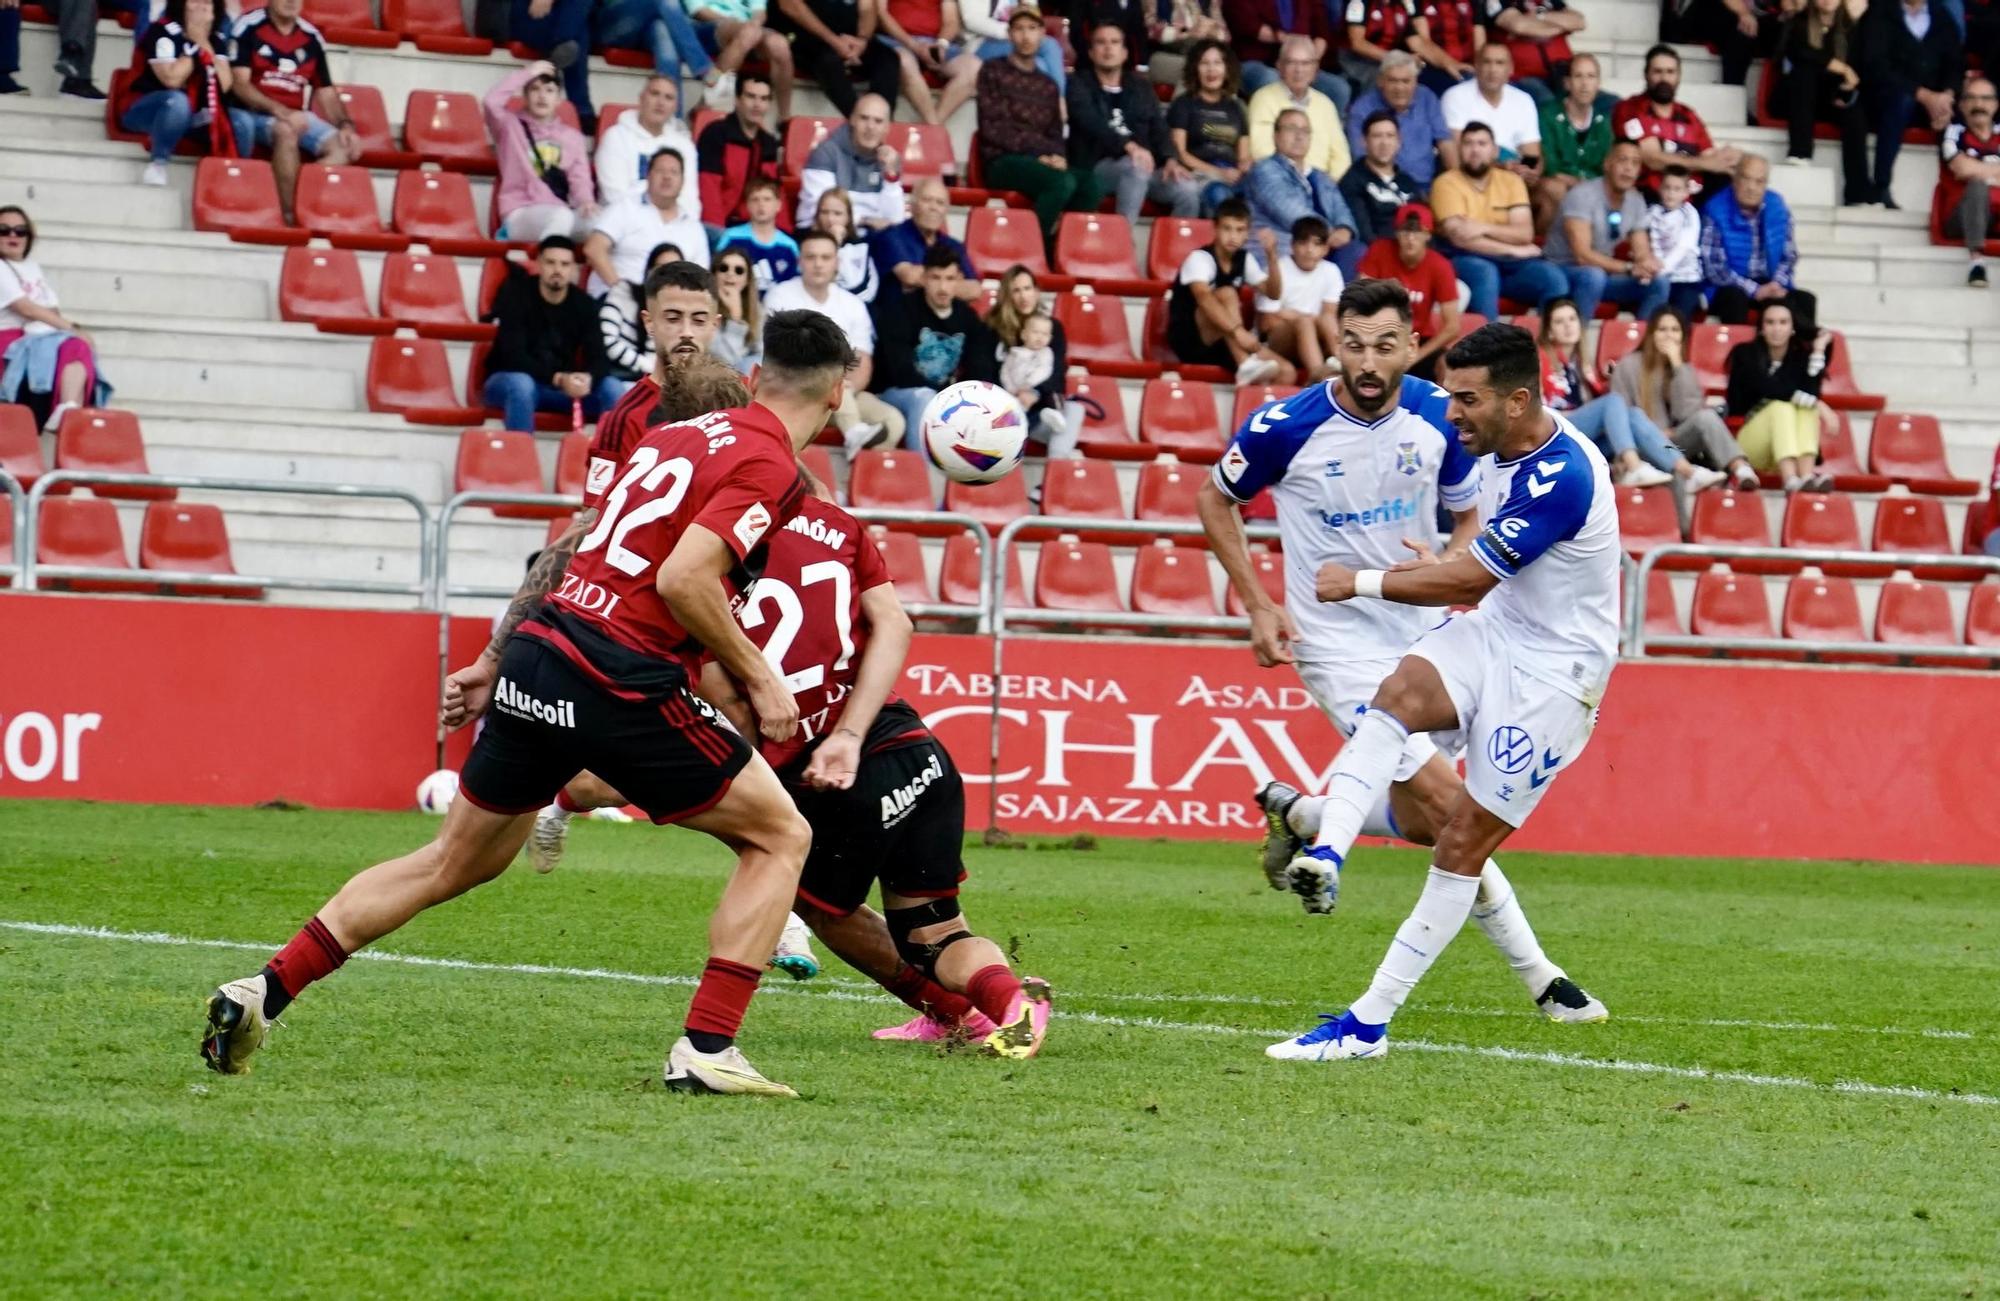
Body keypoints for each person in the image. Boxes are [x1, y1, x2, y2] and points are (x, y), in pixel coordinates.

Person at [198, 321, 862, 1098]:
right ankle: (707, 1046)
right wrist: (764, 679)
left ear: (755, 377)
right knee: (782, 834)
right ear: (840, 390)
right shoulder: (771, 463)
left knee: (455, 859)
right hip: (619, 672)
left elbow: (575, 547)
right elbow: (686, 580)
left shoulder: (678, 437)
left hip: (546, 648)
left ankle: (262, 991)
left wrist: (494, 657)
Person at [1196, 287, 1607, 1044]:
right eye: (1353, 343)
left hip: (1478, 638)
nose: (1368, 361)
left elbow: (1471, 539)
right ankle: (1530, 973)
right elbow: (1214, 497)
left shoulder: (1451, 416)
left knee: (1435, 820)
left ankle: (1310, 815)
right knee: (1451, 810)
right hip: (1338, 645)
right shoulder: (1285, 427)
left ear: (1410, 342)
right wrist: (1257, 601)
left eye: (1385, 345)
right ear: (1335, 345)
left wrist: (1440, 563)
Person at [1537, 299, 1724, 491]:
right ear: (1549, 331)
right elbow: (1535, 410)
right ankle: (1634, 466)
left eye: (1572, 319)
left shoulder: (1583, 365)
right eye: (1559, 322)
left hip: (1584, 441)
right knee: (1614, 401)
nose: (1568, 325)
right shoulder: (1539, 360)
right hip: (1554, 434)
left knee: (1633, 415)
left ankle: (1688, 472)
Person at [765, 227, 905, 452]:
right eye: (811, 257)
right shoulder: (780, 297)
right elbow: (778, 358)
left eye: (825, 257)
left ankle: (857, 472)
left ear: (837, 263)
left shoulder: (853, 304)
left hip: (845, 395)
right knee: (831, 380)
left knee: (893, 421)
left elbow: (862, 360)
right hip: (799, 396)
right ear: (799, 261)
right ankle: (853, 432)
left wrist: (845, 388)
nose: (818, 264)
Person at [975, 8, 1105, 242]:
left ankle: (1064, 249)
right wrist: (1038, 155)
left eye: (1032, 29)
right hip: (1002, 161)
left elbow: (1055, 134)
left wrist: (1056, 156)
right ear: (1010, 33)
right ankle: (1033, 247)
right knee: (1061, 182)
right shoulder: (993, 71)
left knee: (1090, 184)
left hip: (1038, 162)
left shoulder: (1048, 85)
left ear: (1042, 34)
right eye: (1019, 29)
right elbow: (993, 129)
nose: (1026, 36)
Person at [226, 0, 358, 224]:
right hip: (253, 113)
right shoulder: (248, 26)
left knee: (348, 146)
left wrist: (345, 125)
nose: (291, 2)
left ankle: (300, 197)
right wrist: (280, 111)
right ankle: (290, 216)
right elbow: (239, 85)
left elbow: (325, 91)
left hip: (296, 114)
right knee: (286, 132)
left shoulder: (312, 36)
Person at [1609, 304, 1760, 490]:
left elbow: (1688, 413)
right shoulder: (1629, 365)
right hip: (1643, 446)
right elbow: (1619, 417)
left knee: (1707, 417)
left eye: (1675, 330)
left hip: (1675, 446)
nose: (1669, 336)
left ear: (1682, 336)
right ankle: (1690, 478)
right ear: (1651, 334)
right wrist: (1655, 432)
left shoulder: (1684, 369)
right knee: (1676, 476)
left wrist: (1678, 366)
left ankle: (1741, 470)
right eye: (1662, 329)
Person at [1430, 120, 1568, 319]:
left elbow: (1524, 233)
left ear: (1494, 151)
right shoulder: (1445, 183)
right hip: (1465, 258)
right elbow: (1460, 238)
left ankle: (1545, 348)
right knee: (1485, 272)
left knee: (1553, 278)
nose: (1475, 150)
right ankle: (1489, 347)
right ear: (1460, 150)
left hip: (1510, 264)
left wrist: (1480, 227)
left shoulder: (1511, 181)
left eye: (1482, 144)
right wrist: (1512, 249)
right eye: (1468, 144)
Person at [1070, 21, 1202, 222]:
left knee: (1188, 189)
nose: (1108, 48)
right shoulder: (1078, 84)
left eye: (1114, 42)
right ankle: (1123, 245)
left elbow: (1159, 127)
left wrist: (1170, 159)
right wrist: (1129, 146)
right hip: (1098, 165)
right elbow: (1091, 123)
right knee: (1135, 168)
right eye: (1101, 42)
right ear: (1091, 52)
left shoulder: (1140, 86)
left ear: (1124, 53)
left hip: (1145, 167)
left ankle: (1174, 252)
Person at [481, 236, 614, 433]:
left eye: (564, 264)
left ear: (573, 269)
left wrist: (587, 379)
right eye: (551, 262)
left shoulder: (584, 304)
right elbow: (513, 357)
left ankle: (612, 460)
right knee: (521, 385)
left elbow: (599, 357)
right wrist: (558, 378)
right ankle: (521, 460)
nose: (557, 270)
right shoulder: (516, 296)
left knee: (612, 387)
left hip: (560, 389)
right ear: (539, 264)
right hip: (509, 383)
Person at [873, 245, 993, 444]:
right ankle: (925, 473)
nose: (943, 287)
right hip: (894, 393)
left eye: (950, 279)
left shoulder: (968, 318)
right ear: (924, 278)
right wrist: (946, 398)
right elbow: (900, 371)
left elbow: (980, 368)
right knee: (924, 398)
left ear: (960, 280)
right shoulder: (900, 311)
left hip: (943, 397)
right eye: (936, 278)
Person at [1168, 197, 1295, 383]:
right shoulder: (1199, 258)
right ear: (1216, 228)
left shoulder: (1245, 259)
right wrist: (1239, 333)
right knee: (1226, 293)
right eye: (1227, 229)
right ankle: (1244, 362)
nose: (1233, 236)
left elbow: (1273, 293)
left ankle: (1256, 409)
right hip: (1191, 339)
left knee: (1286, 371)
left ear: (1247, 233)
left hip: (1226, 341)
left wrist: (1271, 257)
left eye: (1239, 230)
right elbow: (1203, 298)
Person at [1543, 139, 1669, 323]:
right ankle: (1578, 345)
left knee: (1659, 283)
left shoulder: (1636, 200)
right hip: (1563, 269)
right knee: (1593, 275)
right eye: (1623, 160)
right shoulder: (1582, 195)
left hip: (1602, 275)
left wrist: (1647, 264)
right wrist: (1629, 267)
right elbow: (1582, 256)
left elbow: (1641, 249)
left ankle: (1643, 346)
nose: (1628, 168)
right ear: (1607, 164)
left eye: (1635, 163)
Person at [0, 207, 102, 432]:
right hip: (9, 343)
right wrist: (72, 329)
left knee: (77, 346)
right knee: (75, 342)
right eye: (4, 231)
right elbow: (26, 308)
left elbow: (51, 310)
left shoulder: (32, 267)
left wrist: (69, 332)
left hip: (36, 338)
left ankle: (68, 408)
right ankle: (65, 411)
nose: (13, 236)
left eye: (20, 231)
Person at [119, 0, 237, 188]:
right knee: (177, 102)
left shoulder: (216, 40)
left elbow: (224, 85)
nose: (202, 7)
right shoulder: (161, 31)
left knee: (242, 123)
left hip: (191, 112)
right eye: (194, 1)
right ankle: (158, 164)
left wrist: (202, 42)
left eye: (208, 2)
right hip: (147, 108)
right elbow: (171, 80)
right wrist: (194, 45)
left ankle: (230, 179)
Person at [1856, 0, 1962, 209]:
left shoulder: (1941, 15)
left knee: (1969, 107)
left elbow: (1955, 63)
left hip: (1934, 100)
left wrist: (1947, 96)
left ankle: (1958, 195)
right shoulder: (1880, 13)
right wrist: (1923, 95)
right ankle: (1881, 185)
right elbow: (1875, 66)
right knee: (1900, 102)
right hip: (1884, 98)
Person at [1725, 296, 1833, 491]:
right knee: (1781, 407)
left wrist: (1818, 350)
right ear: (1761, 328)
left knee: (1806, 409)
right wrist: (1818, 404)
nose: (1776, 328)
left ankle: (1806, 476)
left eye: (1783, 322)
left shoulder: (1799, 358)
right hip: (1750, 447)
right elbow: (1770, 388)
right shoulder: (1744, 354)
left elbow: (1811, 392)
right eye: (1770, 322)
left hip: (1787, 448)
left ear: (1793, 327)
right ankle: (1790, 479)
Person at [485, 61, 596, 244]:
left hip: (559, 209)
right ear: (525, 95)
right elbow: (491, 102)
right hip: (519, 211)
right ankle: (544, 270)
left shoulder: (572, 137)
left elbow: (580, 178)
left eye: (549, 90)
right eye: (535, 89)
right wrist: (527, 73)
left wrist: (586, 201)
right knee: (561, 218)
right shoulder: (510, 126)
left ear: (559, 98)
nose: (542, 96)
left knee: (600, 226)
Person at [1613, 45, 1739, 199]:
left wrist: (1730, 158)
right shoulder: (1630, 108)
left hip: (1690, 197)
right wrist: (1703, 163)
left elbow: (1710, 156)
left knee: (1732, 175)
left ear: (1678, 76)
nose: (1664, 79)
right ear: (1646, 75)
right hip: (1650, 197)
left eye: (1670, 72)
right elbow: (1653, 158)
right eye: (1657, 72)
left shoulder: (1688, 115)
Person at [1700, 154, 1809, 326]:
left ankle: (1806, 350)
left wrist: (1776, 285)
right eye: (1746, 179)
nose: (1752, 187)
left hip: (1769, 280)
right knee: (1734, 298)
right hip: (1730, 285)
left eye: (1759, 182)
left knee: (1804, 300)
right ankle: (1739, 352)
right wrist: (1755, 290)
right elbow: (1714, 268)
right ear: (1735, 179)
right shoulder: (1715, 208)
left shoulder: (1777, 206)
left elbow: (1789, 256)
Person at [1246, 108, 1361, 269]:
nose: (1299, 136)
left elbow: (1341, 209)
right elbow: (1290, 212)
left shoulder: (1320, 176)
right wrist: (1328, 234)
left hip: (1322, 247)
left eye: (1305, 131)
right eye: (1291, 129)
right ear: (1275, 136)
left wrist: (1345, 229)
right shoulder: (1265, 169)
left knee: (1356, 251)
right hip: (1282, 251)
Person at [584, 149, 710, 294]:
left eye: (674, 172)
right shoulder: (625, 208)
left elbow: (701, 280)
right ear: (648, 176)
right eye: (660, 170)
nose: (667, 177)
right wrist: (622, 291)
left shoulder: (694, 228)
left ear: (683, 182)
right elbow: (593, 249)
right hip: (616, 298)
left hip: (669, 309)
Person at [1357, 202, 1460, 376]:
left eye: (1418, 231)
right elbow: (1361, 298)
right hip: (1378, 333)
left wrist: (1416, 356)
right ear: (1397, 233)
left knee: (1447, 364)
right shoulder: (1379, 250)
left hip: (1418, 339)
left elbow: (1452, 326)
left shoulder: (1440, 265)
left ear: (1428, 235)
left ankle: (1446, 403)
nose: (1411, 238)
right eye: (1405, 231)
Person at [1776, 0, 1865, 195]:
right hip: (1797, 98)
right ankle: (1800, 153)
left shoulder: (1850, 26)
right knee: (1805, 73)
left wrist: (1845, 90)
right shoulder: (1799, 22)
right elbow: (1800, 52)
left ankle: (1858, 191)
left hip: (1832, 98)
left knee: (1855, 114)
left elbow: (1858, 68)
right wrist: (1842, 67)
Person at [984, 265, 1074, 454]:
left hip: (1040, 406)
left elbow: (1057, 374)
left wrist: (1035, 393)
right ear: (1006, 296)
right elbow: (983, 374)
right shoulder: (990, 328)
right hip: (1005, 405)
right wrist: (1011, 396)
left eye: (1027, 289)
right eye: (1016, 290)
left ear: (1036, 291)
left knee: (1075, 411)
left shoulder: (1052, 328)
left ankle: (1052, 481)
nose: (1024, 297)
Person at [591, 0, 730, 114]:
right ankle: (705, 71)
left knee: (662, 30)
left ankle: (673, 122)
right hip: (611, 22)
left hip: (650, 23)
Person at [1247, 35, 1353, 182]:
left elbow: (1341, 156)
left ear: (1315, 69)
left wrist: (1329, 184)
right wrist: (1298, 179)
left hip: (1323, 184)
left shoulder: (1325, 104)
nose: (1299, 70)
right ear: (1279, 66)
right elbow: (1261, 151)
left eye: (1305, 63)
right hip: (1281, 182)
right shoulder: (1263, 99)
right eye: (1291, 63)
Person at [1167, 37, 1254, 215]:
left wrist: (1245, 165)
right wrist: (1218, 173)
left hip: (1231, 173)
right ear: (1195, 69)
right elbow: (1180, 153)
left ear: (1227, 69)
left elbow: (1243, 156)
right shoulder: (1183, 104)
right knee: (1221, 196)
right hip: (1199, 173)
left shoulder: (1235, 108)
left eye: (1217, 63)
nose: (1211, 69)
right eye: (1204, 63)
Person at [796, 93, 907, 233]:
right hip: (822, 234)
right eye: (864, 118)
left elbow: (895, 219)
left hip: (868, 236)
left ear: (887, 127)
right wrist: (866, 221)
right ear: (852, 120)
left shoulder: (888, 159)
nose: (870, 127)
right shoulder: (826, 152)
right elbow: (823, 212)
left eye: (878, 121)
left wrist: (892, 177)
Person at [594, 75, 701, 218]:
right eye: (655, 93)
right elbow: (614, 195)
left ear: (675, 107)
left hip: (673, 224)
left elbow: (690, 200)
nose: (660, 102)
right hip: (624, 223)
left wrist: (674, 222)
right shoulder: (616, 137)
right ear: (641, 98)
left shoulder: (684, 146)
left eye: (668, 98)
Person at [1344, 50, 1454, 187]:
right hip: (1383, 186)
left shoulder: (1426, 98)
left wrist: (1459, 181)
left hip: (1426, 186)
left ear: (1415, 82)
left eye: (1406, 81)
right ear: (1380, 82)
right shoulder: (1362, 110)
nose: (1399, 88)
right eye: (1392, 81)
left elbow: (1445, 143)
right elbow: (1360, 157)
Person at [773, 0, 901, 116]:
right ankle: (860, 120)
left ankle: (882, 120)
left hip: (851, 40)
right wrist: (834, 41)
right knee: (829, 62)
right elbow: (789, 5)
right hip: (809, 35)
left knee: (888, 60)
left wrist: (862, 39)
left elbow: (868, 8)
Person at [1253, 216, 1344, 378]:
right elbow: (1267, 323)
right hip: (1276, 342)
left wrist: (1292, 315)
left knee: (1325, 320)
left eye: (1316, 244)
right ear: (1292, 245)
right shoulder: (1277, 269)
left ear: (1325, 249)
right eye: (1303, 243)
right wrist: (1302, 318)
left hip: (1316, 339)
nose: (1309, 250)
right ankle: (1319, 378)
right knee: (1305, 322)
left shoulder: (1331, 271)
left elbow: (1330, 315)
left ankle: (1342, 363)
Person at [597, 241, 684, 402]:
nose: (667, 275)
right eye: (660, 267)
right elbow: (606, 340)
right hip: (616, 375)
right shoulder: (623, 292)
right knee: (613, 389)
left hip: (657, 381)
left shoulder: (681, 311)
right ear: (649, 271)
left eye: (674, 269)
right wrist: (646, 365)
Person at [1222, 0, 1347, 111]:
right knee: (1270, 79)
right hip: (1255, 62)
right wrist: (1290, 44)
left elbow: (1322, 33)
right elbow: (1248, 25)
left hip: (1299, 61)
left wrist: (1310, 63)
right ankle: (1282, 130)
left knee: (1338, 89)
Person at [1533, 51, 1609, 235]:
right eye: (1578, 76)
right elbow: (1551, 167)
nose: (1585, 84)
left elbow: (1606, 168)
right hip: (1556, 188)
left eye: (1591, 76)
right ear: (1567, 83)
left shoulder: (1603, 122)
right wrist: (1581, 183)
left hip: (1589, 191)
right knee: (1554, 189)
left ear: (1598, 84)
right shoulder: (1548, 114)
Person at [876, 0, 985, 126]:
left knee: (974, 67)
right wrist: (914, 46)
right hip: (896, 40)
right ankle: (933, 127)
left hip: (936, 43)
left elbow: (951, 21)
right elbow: (881, 14)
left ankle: (930, 127)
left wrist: (940, 45)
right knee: (903, 61)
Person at [696, 72, 781, 230]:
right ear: (737, 99)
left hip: (755, 228)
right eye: (751, 96)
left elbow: (773, 193)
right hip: (718, 227)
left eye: (763, 99)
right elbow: (708, 189)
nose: (757, 104)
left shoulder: (768, 143)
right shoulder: (715, 134)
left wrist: (782, 233)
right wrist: (717, 234)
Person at [872, 177, 978, 299]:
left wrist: (927, 279)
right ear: (912, 204)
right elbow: (909, 276)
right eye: (927, 200)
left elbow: (975, 289)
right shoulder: (891, 236)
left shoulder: (954, 246)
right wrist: (952, 279)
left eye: (940, 203)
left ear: (946, 210)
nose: (933, 207)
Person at [686, 0, 796, 118]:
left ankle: (784, 120)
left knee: (779, 44)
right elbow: (698, 11)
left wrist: (754, 24)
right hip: (703, 25)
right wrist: (739, 24)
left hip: (747, 30)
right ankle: (705, 99)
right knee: (748, 33)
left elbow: (759, 11)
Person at [1440, 43, 1541, 170]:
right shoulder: (1455, 96)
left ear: (1511, 69)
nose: (1493, 69)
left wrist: (1529, 172)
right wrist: (1503, 168)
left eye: (1500, 63)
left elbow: (1531, 152)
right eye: (1487, 62)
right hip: (1472, 176)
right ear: (1476, 66)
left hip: (1514, 175)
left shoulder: (1524, 100)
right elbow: (1459, 154)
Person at [1940, 77, 2000, 287]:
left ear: (1995, 104)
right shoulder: (1955, 133)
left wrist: (1979, 170)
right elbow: (1962, 169)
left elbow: (1971, 168)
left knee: (1977, 181)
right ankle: (1977, 263)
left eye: (1985, 99)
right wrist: (1994, 176)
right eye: (1972, 98)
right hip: (1962, 216)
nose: (1979, 105)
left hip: (1997, 213)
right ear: (1963, 105)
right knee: (1976, 186)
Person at [1340, 109, 1426, 248]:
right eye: (1377, 136)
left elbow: (1425, 225)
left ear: (1398, 142)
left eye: (1390, 136)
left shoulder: (1407, 181)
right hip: (1380, 256)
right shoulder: (1352, 181)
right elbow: (1365, 234)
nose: (1384, 142)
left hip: (1414, 255)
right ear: (1364, 142)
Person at [507, 0, 596, 130]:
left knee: (578, 29)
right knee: (578, 34)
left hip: (564, 18)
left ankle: (561, 44)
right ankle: (581, 109)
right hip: (529, 15)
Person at [1483, 0, 1582, 105]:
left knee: (1598, 100)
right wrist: (1561, 26)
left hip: (1563, 71)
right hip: (1524, 77)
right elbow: (1519, 26)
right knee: (1549, 103)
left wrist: (1540, 15)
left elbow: (1579, 21)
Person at [962, 0, 1069, 93]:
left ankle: (1059, 100)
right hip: (983, 43)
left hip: (1017, 37)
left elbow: (1035, 18)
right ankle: (1051, 106)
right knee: (1039, 65)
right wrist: (1012, 33)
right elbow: (972, 21)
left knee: (1051, 45)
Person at [716, 176, 799, 292]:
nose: (761, 205)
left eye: (767, 199)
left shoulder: (789, 246)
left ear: (779, 205)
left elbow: (795, 283)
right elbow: (717, 273)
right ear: (747, 205)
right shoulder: (731, 237)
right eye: (755, 199)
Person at [1647, 164, 1705, 315]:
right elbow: (1651, 241)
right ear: (1660, 188)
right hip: (1659, 276)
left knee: (1679, 318)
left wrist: (1661, 269)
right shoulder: (1653, 212)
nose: (1671, 193)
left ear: (1686, 192)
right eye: (1667, 188)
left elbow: (1683, 247)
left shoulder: (1690, 214)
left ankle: (1697, 298)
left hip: (1685, 279)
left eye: (1677, 189)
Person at [810, 187, 882, 304]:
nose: (830, 219)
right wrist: (833, 245)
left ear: (848, 217)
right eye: (824, 212)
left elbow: (864, 290)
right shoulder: (803, 244)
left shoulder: (861, 246)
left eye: (837, 213)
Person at [1147, 0, 1230, 91]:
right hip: (1171, 50)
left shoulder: (1211, 2)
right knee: (1200, 60)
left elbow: (1225, 35)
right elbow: (1151, 31)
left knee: (1219, 61)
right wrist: (1189, 33)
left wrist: (1214, 31)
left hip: (1206, 47)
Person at [709, 246, 764, 374]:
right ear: (714, 274)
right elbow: (725, 361)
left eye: (739, 270)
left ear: (747, 279)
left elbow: (762, 354)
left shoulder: (757, 308)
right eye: (723, 268)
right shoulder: (703, 308)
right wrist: (735, 318)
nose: (730, 274)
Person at [1341, 0, 1415, 94]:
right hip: (1356, 59)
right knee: (1384, 78)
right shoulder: (1358, 2)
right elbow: (1357, 43)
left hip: (1387, 59)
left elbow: (1416, 41)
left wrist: (1417, 58)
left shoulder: (1400, 5)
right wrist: (1397, 59)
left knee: (1414, 73)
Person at [1409, 0, 1482, 95]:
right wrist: (1451, 64)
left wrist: (1480, 69)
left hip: (1468, 67)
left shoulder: (1472, 2)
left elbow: (1480, 45)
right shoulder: (1418, 2)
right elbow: (1424, 42)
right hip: (1435, 65)